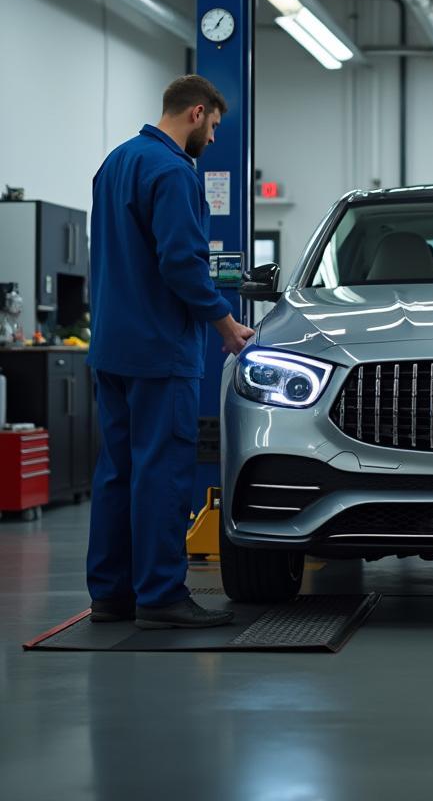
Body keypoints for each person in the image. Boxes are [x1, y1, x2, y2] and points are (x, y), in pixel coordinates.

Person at [87, 75, 255, 629]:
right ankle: (160, 595)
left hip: (112, 346)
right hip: (159, 349)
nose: (212, 138)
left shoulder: (114, 163)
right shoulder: (174, 172)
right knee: (161, 472)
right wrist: (226, 325)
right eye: (214, 127)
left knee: (118, 471)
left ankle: (112, 596)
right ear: (198, 112)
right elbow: (181, 263)